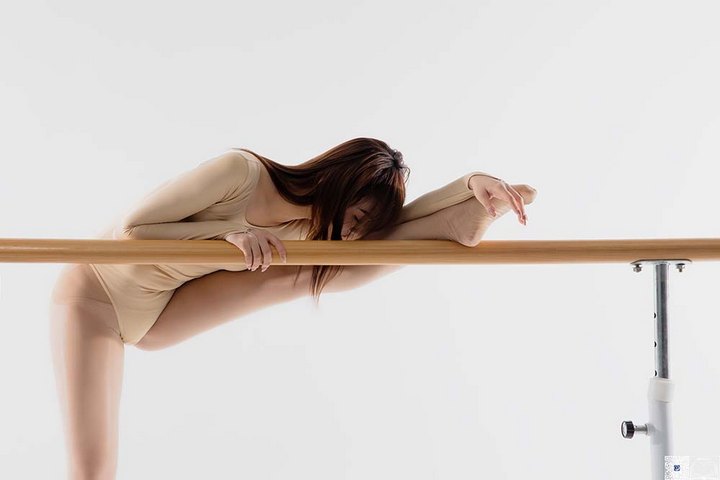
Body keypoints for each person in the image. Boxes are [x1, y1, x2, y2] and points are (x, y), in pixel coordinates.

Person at [49, 137, 536, 479]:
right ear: (340, 186)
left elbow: (392, 229)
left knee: (308, 271)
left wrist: (470, 183)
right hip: (96, 299)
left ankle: (459, 220)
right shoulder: (240, 173)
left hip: (164, 311)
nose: (354, 232)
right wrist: (229, 235)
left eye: (364, 226)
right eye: (357, 216)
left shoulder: (315, 231)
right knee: (94, 472)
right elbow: (133, 233)